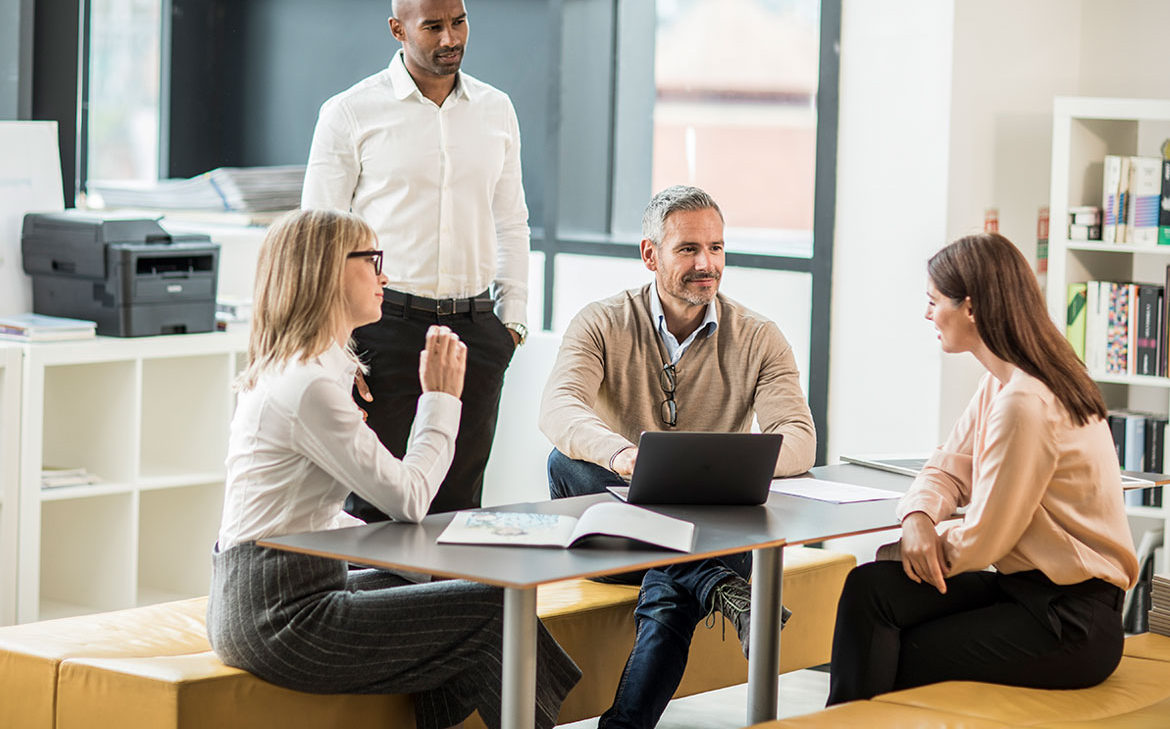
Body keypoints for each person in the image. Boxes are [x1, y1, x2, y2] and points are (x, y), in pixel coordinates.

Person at [207, 209, 579, 729]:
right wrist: (442, 398)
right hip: (280, 615)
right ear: (328, 271)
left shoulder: (306, 371)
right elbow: (408, 498)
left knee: (457, 589)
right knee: (493, 607)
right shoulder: (309, 386)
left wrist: (418, 562)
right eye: (372, 260)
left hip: (277, 592)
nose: (385, 276)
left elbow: (306, 515)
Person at [539, 185, 816, 729]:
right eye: (688, 249)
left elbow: (799, 437)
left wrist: (711, 465)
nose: (706, 264)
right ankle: (717, 584)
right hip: (616, 538)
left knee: (672, 590)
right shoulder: (601, 322)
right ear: (650, 255)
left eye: (715, 248)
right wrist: (622, 456)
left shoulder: (760, 337)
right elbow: (559, 406)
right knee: (563, 461)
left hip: (702, 533)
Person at [827, 232, 1140, 705]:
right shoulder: (1004, 382)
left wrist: (913, 549)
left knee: (899, 652)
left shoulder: (1025, 401)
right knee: (869, 590)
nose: (927, 314)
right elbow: (949, 467)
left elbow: (987, 537)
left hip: (1071, 621)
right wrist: (918, 519)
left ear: (970, 307)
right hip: (1023, 591)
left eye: (933, 301)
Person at [302, 0, 529, 518]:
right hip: (384, 333)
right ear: (397, 29)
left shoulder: (497, 110)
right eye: (433, 26)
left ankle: (448, 608)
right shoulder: (350, 113)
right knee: (378, 506)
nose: (450, 38)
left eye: (459, 22)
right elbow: (315, 240)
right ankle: (374, 608)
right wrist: (338, 349)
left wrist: (513, 324)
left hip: (475, 331)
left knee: (459, 509)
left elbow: (512, 222)